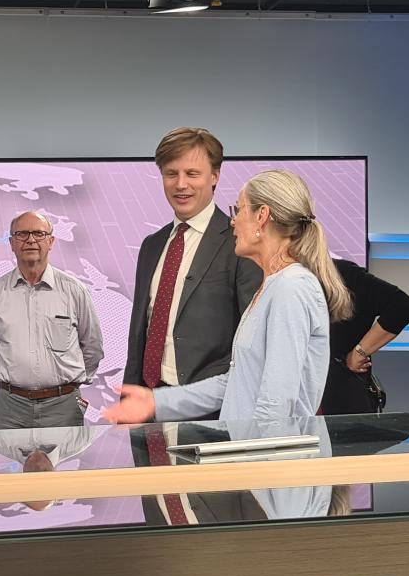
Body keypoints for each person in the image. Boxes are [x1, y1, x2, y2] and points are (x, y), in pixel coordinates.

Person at [105, 169, 352, 426]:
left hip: (268, 449)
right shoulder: (273, 286)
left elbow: (276, 404)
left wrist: (250, 452)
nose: (233, 222)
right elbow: (236, 383)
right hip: (250, 445)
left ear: (262, 216)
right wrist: (157, 402)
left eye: (239, 210)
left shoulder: (292, 288)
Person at [123, 128, 263, 399]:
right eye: (171, 174)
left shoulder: (240, 244)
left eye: (192, 174)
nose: (181, 184)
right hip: (148, 402)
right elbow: (138, 335)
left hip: (210, 407)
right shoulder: (152, 245)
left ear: (215, 176)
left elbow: (253, 340)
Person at [0, 210, 104, 430]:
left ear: (51, 241)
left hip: (63, 407)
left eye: (39, 233)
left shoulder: (74, 291)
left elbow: (92, 347)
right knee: (10, 455)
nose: (31, 240)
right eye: (22, 234)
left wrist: (67, 385)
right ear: (12, 243)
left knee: (67, 455)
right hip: (11, 408)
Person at [321, 259, 409, 415]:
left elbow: (401, 306)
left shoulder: (339, 273)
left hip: (342, 401)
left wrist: (359, 353)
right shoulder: (283, 281)